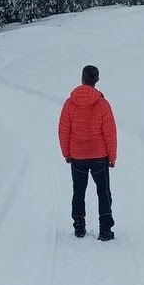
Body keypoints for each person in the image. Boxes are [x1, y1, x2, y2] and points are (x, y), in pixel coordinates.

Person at [58, 65, 117, 240]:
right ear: (96, 80)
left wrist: (66, 153)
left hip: (77, 157)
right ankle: (105, 230)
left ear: (82, 78)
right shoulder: (102, 103)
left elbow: (63, 130)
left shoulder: (70, 103)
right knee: (104, 193)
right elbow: (110, 132)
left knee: (78, 192)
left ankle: (79, 227)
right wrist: (112, 157)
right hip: (99, 156)